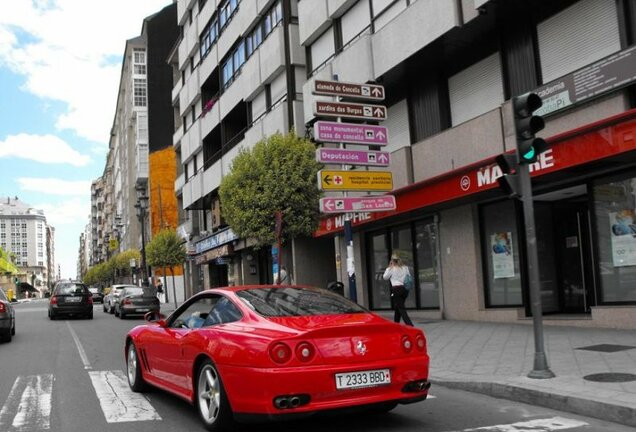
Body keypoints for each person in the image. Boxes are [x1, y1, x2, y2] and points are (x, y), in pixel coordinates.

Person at [382, 255, 414, 326]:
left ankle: (410, 325)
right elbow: (409, 276)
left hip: (396, 289)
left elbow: (385, 277)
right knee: (398, 307)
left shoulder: (392, 269)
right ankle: (396, 324)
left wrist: (389, 267)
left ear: (392, 261)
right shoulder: (405, 268)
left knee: (401, 308)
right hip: (405, 289)